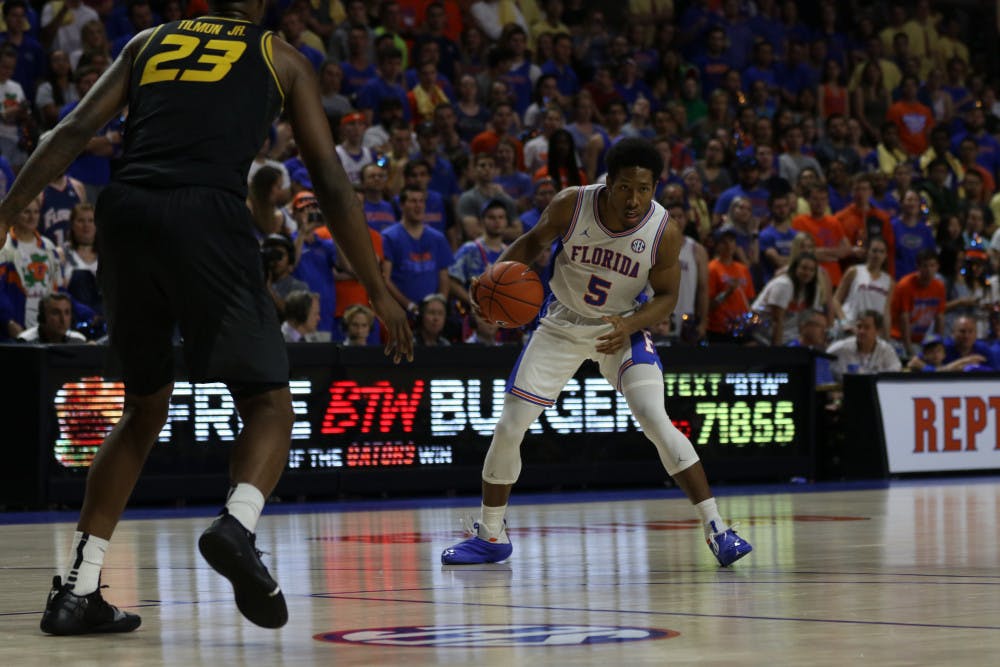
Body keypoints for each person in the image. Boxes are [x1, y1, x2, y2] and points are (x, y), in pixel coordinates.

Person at [0, 0, 412, 635]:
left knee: (143, 408)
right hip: (207, 216)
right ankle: (237, 525)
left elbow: (73, 129)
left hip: (126, 213)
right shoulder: (281, 56)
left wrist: (7, 211)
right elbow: (330, 178)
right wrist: (377, 288)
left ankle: (77, 590)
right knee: (269, 405)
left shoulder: (148, 41)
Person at [440, 139, 752, 568]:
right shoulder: (572, 204)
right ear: (608, 183)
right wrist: (493, 279)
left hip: (620, 326)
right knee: (510, 425)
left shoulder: (664, 231)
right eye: (625, 187)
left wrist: (630, 324)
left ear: (655, 187)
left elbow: (666, 298)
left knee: (655, 418)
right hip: (562, 322)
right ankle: (491, 534)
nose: (634, 199)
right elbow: (531, 244)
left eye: (644, 189)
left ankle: (717, 529)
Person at [752, 252, 825, 346]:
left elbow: (806, 320)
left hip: (789, 337)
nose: (807, 273)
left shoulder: (814, 289)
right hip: (760, 332)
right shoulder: (784, 285)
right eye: (804, 268)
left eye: (812, 270)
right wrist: (777, 350)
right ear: (795, 268)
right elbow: (777, 321)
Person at [834, 237, 894, 339]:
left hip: (870, 333)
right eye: (874, 250)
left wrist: (887, 337)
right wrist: (844, 323)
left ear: (885, 255)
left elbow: (886, 312)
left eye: (881, 252)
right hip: (850, 327)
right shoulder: (854, 271)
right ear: (867, 252)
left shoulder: (889, 282)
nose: (877, 255)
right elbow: (835, 300)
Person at [891, 249, 946, 358]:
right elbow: (904, 318)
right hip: (898, 338)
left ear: (937, 267)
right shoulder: (905, 285)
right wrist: (909, 349)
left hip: (921, 339)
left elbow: (939, 317)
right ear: (918, 267)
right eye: (925, 266)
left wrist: (938, 344)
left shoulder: (939, 287)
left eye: (932, 265)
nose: (929, 270)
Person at [826, 310, 902, 380]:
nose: (861, 331)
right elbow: (822, 358)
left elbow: (896, 373)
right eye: (859, 327)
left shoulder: (886, 350)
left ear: (878, 331)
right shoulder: (841, 348)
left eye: (866, 327)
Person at [15, 292, 87, 343]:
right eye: (56, 313)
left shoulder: (78, 340)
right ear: (42, 317)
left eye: (67, 313)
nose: (63, 319)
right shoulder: (26, 341)